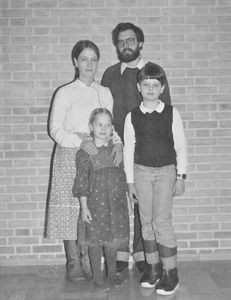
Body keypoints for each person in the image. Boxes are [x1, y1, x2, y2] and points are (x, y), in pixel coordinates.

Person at [45, 40, 123, 283]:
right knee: (70, 209)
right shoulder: (65, 92)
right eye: (84, 59)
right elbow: (55, 129)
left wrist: (118, 142)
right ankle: (73, 263)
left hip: (98, 154)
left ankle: (90, 261)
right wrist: (80, 142)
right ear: (75, 62)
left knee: (93, 208)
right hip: (70, 152)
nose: (89, 64)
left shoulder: (104, 92)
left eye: (94, 59)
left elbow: (109, 124)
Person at [101, 22, 171, 274]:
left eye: (130, 41)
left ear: (140, 43)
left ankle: (144, 253)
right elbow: (103, 114)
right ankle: (120, 253)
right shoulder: (109, 74)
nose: (125, 46)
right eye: (120, 42)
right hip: (115, 148)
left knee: (145, 206)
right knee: (117, 202)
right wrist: (110, 142)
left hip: (146, 152)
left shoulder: (153, 72)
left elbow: (166, 115)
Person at [123, 62, 187, 295]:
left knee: (162, 222)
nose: (150, 89)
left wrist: (181, 176)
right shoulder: (132, 117)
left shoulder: (172, 113)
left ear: (162, 88)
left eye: (155, 85)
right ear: (139, 87)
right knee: (146, 222)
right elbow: (128, 151)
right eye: (146, 84)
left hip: (165, 172)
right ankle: (153, 269)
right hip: (140, 172)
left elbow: (181, 148)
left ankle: (171, 273)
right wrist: (130, 182)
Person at [72, 108, 130, 290]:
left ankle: (112, 275)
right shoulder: (84, 153)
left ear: (112, 128)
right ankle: (98, 280)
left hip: (115, 203)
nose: (103, 128)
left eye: (107, 125)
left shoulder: (117, 150)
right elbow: (81, 181)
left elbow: (122, 177)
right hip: (95, 204)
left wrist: (126, 200)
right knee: (95, 242)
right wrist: (84, 207)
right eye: (99, 124)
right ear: (91, 126)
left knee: (112, 241)